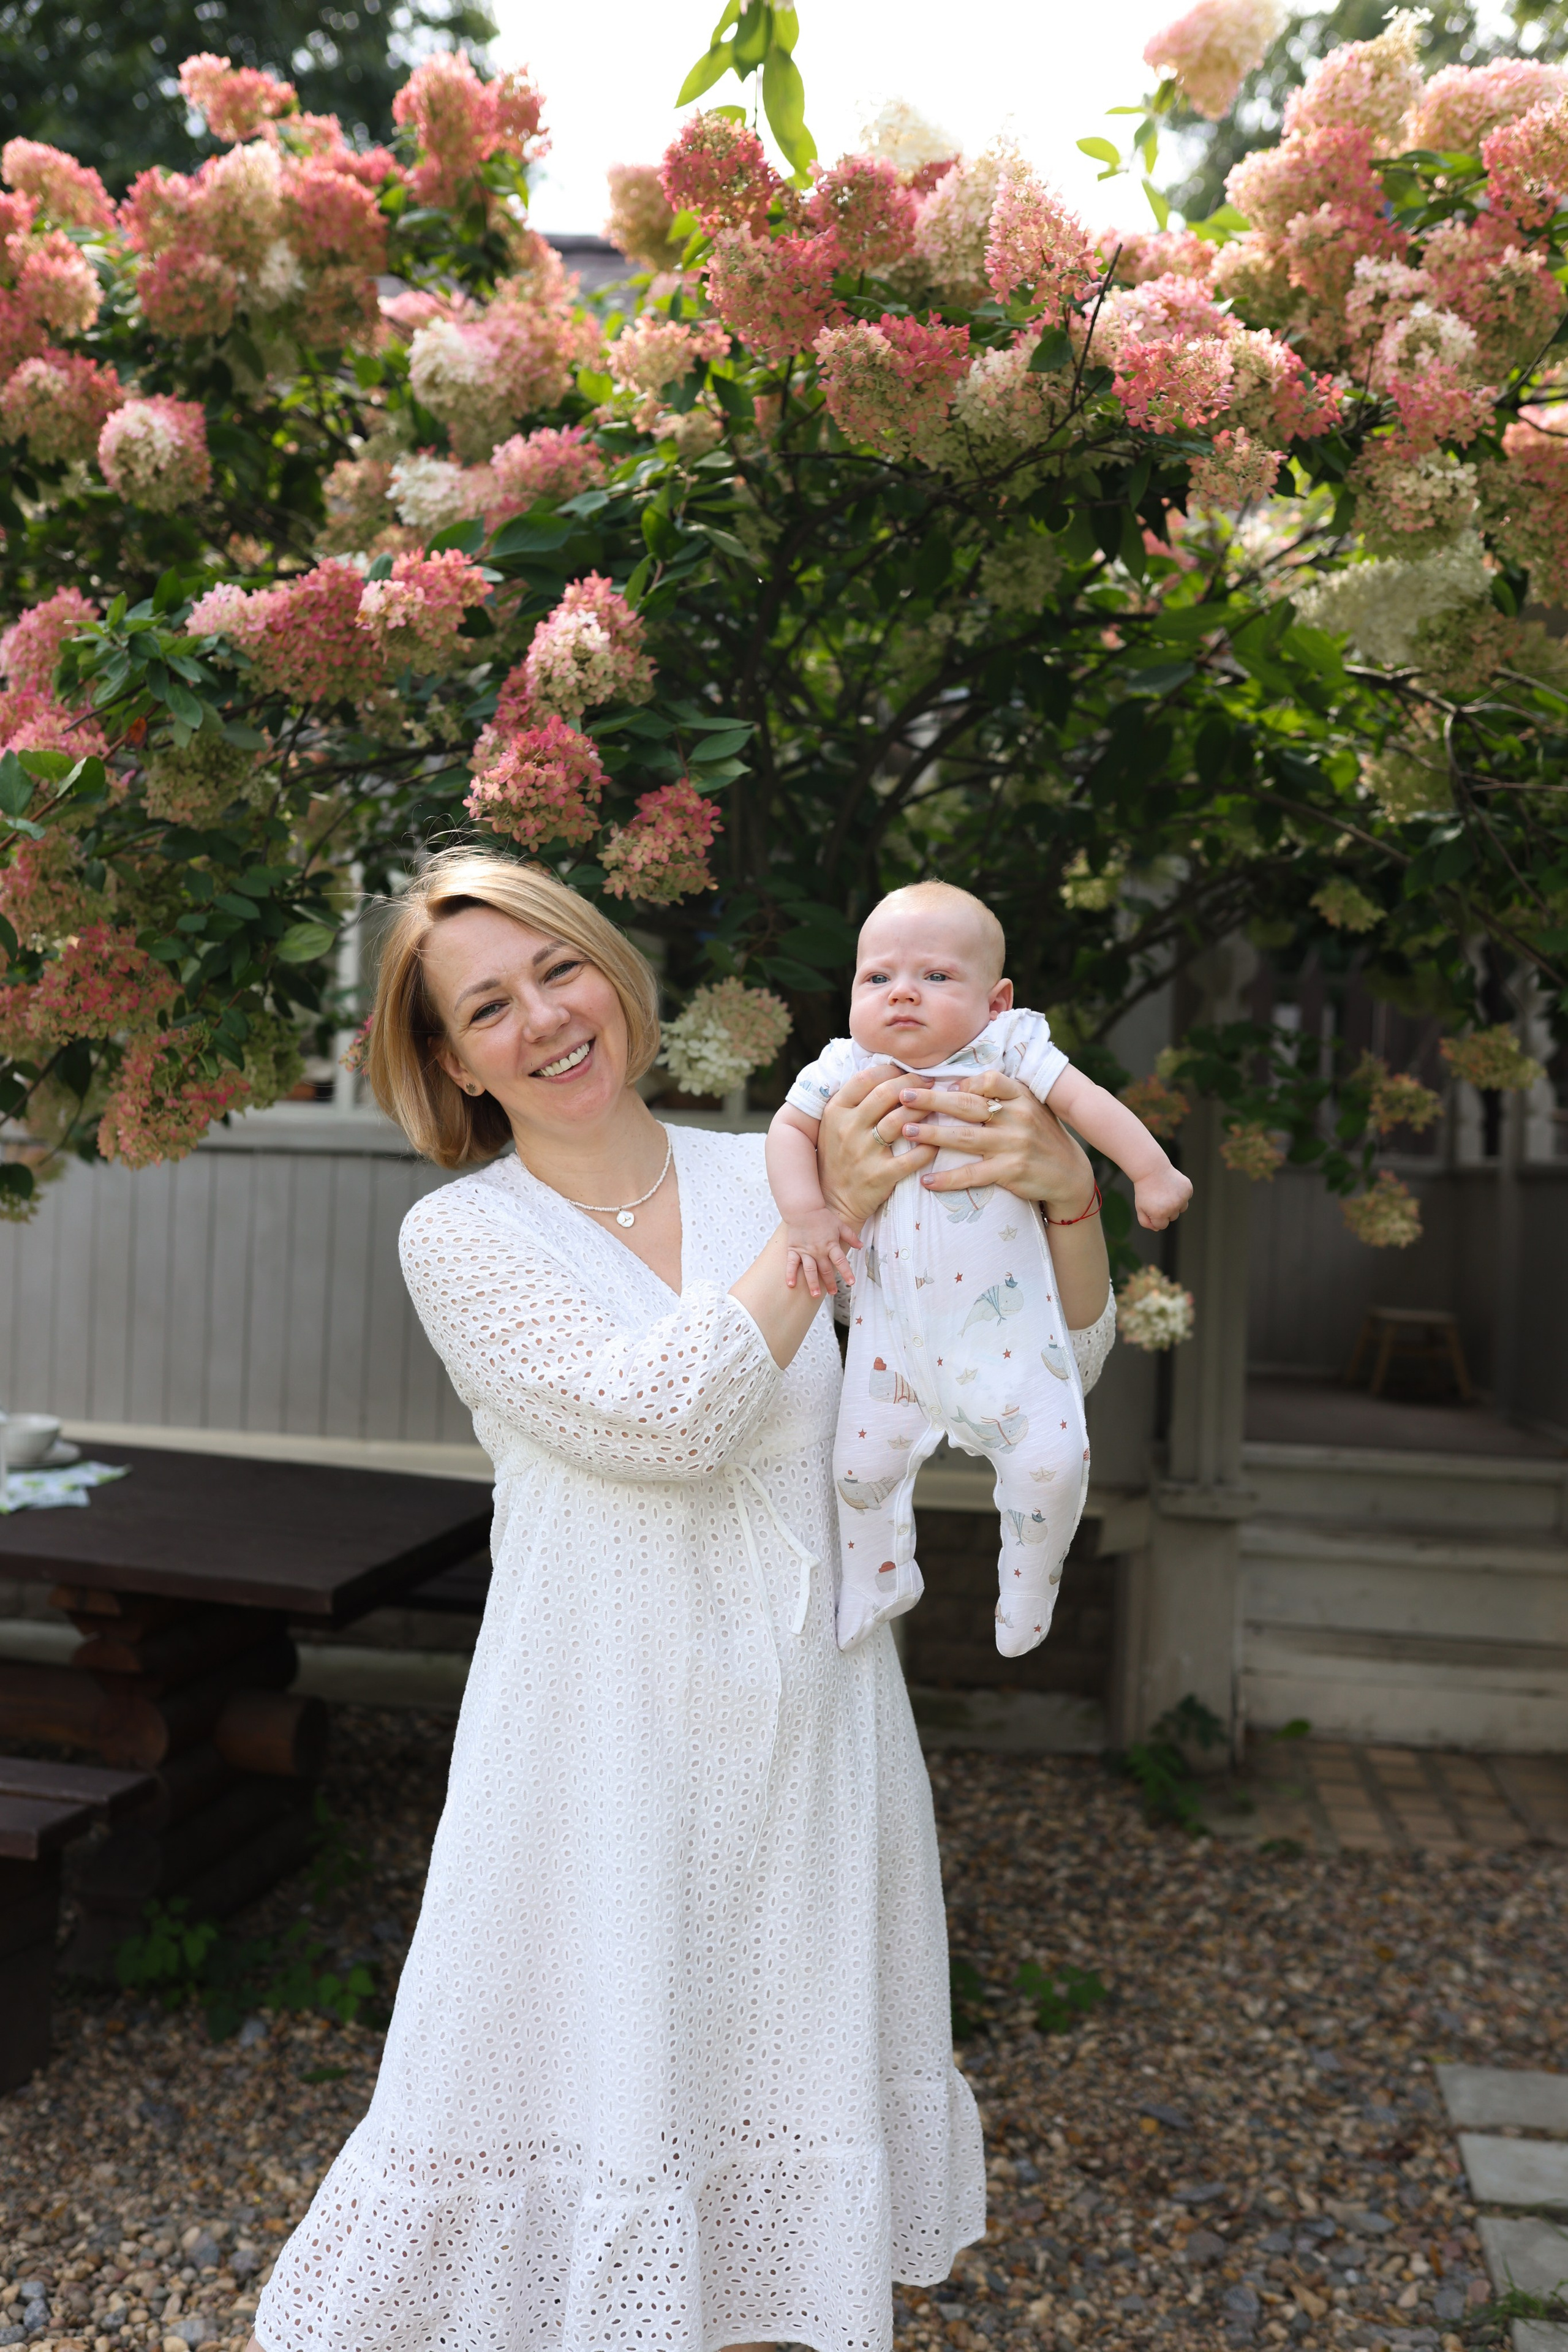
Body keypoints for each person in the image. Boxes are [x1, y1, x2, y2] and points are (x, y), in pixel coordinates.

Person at [246, 846, 1118, 2352]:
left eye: (559, 970)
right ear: (451, 1061)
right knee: (583, 2130)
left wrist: (1069, 1204)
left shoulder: (762, 1166)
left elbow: (1033, 1373)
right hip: (593, 1761)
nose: (544, 1018)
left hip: (812, 1742)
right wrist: (821, 1221)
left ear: (613, 974)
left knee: (773, 2161)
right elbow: (666, 1420)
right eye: (488, 1006)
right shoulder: (464, 1235)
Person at [767, 881, 1191, 1657]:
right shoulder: (846, 1066)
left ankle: (1027, 1592)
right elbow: (788, 1131)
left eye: (935, 976)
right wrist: (807, 1214)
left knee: (1051, 1467)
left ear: (995, 1003)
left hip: (1009, 1331)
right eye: (877, 977)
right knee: (858, 1469)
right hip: (893, 1338)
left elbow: (1089, 1104)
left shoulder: (1010, 1050)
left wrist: (1150, 1169)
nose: (902, 993)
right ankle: (875, 1580)